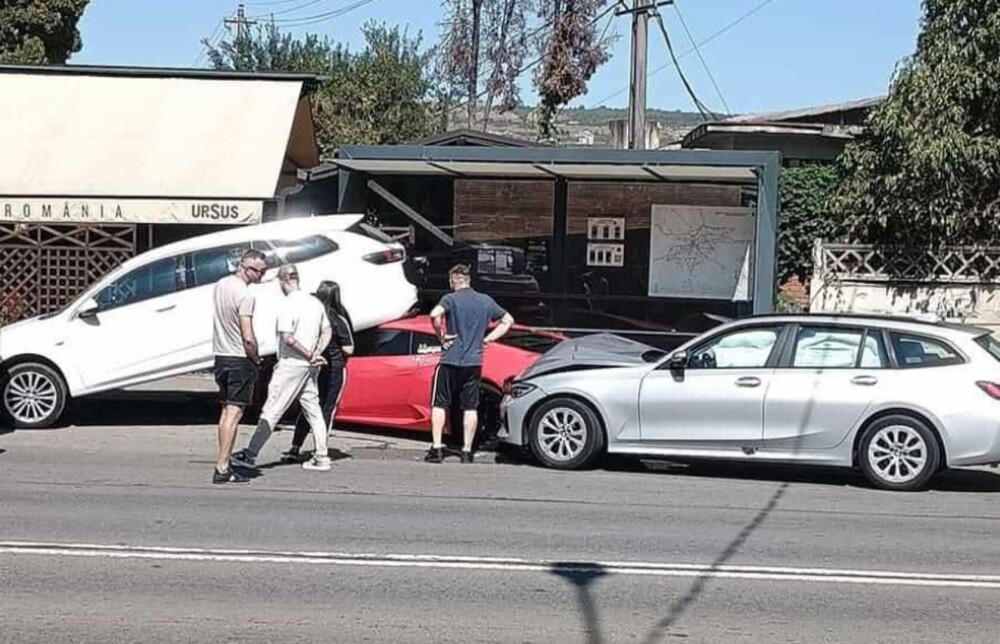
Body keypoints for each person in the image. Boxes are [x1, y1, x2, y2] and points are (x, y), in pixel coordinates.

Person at [231, 264, 335, 472]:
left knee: (273, 409)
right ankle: (322, 455)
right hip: (309, 366)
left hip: (291, 364)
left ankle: (250, 454)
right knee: (313, 409)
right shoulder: (315, 303)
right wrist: (316, 353)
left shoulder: (287, 305)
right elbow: (327, 330)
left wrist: (308, 354)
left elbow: (288, 338)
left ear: (283, 280)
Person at [426, 264, 514, 464]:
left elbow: (434, 314)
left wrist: (441, 335)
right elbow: (508, 320)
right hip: (474, 362)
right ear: (468, 280)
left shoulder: (450, 299)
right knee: (470, 407)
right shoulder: (485, 301)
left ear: (452, 280)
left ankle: (437, 447)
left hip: (450, 359)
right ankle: (466, 451)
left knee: (439, 403)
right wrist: (488, 338)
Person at [282, 280, 355, 463]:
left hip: (313, 364)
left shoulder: (311, 315)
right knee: (327, 408)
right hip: (334, 367)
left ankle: (295, 447)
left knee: (308, 406)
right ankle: (320, 449)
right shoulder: (338, 318)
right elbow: (349, 349)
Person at [211, 248, 267, 484]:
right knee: (234, 413)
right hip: (238, 358)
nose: (262, 276)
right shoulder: (246, 295)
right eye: (259, 272)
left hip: (221, 355)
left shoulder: (221, 285)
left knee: (226, 412)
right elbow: (247, 336)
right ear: (246, 267)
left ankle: (223, 460)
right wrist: (255, 357)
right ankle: (223, 466)